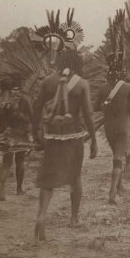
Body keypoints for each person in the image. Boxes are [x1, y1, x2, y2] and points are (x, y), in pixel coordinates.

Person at [32, 50, 97, 240]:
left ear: (59, 62)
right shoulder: (82, 84)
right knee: (75, 177)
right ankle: (74, 218)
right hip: (74, 135)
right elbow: (88, 114)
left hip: (52, 135)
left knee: (48, 178)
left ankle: (41, 215)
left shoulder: (48, 82)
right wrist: (93, 139)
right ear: (77, 62)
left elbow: (37, 107)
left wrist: (35, 132)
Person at [95, 52, 130, 204]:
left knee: (116, 155)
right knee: (118, 159)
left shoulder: (102, 88)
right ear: (123, 72)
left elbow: (96, 107)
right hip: (123, 127)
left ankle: (120, 187)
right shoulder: (128, 87)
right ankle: (112, 192)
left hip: (109, 128)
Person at [0, 75, 33, 201]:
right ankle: (19, 189)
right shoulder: (25, 98)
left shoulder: (3, 100)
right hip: (21, 133)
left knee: (6, 162)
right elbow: (32, 117)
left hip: (7, 133)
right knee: (20, 161)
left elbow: (0, 122)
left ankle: (0, 190)